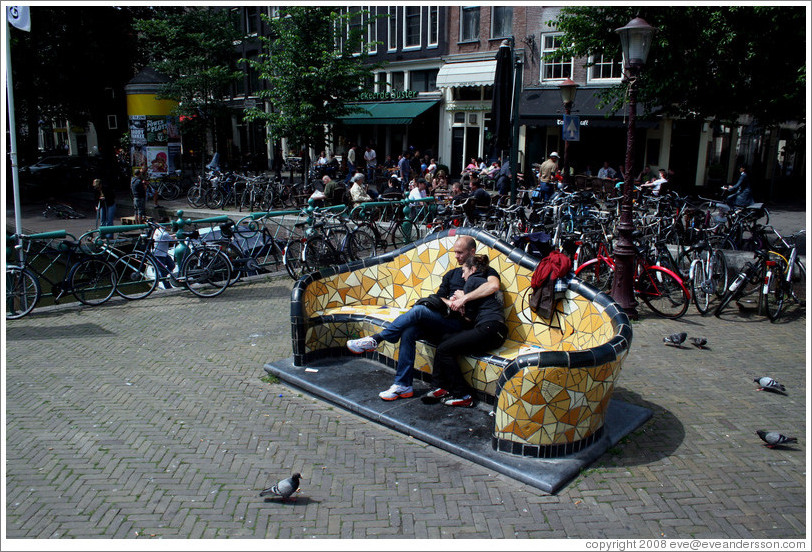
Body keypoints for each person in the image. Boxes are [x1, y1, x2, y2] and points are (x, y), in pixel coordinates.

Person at [345, 235, 501, 401]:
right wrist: (451, 301)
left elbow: (493, 286)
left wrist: (465, 297)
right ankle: (403, 385)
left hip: (463, 324)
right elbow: (440, 297)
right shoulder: (451, 274)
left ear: (472, 251)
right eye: (455, 252)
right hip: (444, 318)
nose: (456, 256)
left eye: (460, 253)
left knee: (419, 311)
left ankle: (377, 339)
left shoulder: (484, 271)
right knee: (409, 331)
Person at [422, 254, 508, 407]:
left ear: (473, 269)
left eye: (464, 271)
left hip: (490, 329)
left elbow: (469, 320)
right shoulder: (482, 283)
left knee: (444, 349)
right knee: (445, 340)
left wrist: (460, 302)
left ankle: (462, 394)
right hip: (496, 331)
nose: (462, 275)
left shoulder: (472, 281)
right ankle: (440, 386)